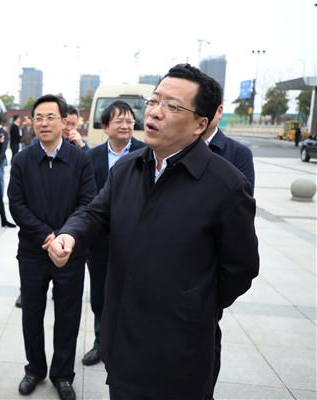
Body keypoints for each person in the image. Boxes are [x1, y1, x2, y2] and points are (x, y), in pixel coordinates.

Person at [48, 64, 259, 400]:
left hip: (180, 350)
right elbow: (95, 213)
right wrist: (70, 234)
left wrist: (194, 303)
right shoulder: (127, 167)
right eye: (154, 101)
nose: (155, 112)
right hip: (123, 341)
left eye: (172, 106)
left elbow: (241, 269)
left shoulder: (226, 185)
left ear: (200, 124)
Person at [8, 94, 96, 400]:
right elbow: (16, 204)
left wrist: (65, 237)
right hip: (33, 252)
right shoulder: (22, 160)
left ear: (64, 121)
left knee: (68, 315)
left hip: (70, 253)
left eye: (50, 117)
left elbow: (87, 203)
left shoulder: (80, 159)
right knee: (31, 313)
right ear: (32, 122)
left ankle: (63, 375)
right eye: (39, 118)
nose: (44, 123)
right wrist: (47, 237)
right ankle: (34, 369)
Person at [81, 101, 146, 367]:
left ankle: (130, 345)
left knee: (134, 293)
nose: (125, 125)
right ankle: (101, 342)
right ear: (105, 127)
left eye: (129, 121)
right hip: (100, 240)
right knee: (100, 295)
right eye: (119, 121)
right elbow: (87, 197)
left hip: (136, 240)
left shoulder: (146, 153)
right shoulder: (92, 157)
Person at [203, 100, 255, 398]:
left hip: (210, 267)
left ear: (218, 112)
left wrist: (215, 294)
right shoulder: (173, 149)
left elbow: (240, 216)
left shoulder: (237, 153)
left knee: (208, 336)